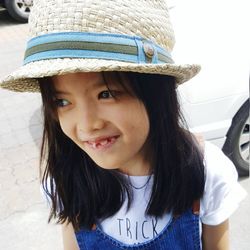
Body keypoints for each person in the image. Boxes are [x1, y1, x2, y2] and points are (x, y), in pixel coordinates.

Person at [0, 0, 247, 249]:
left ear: (155, 92)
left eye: (106, 94)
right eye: (62, 101)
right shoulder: (65, 177)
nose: (87, 124)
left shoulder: (206, 171)